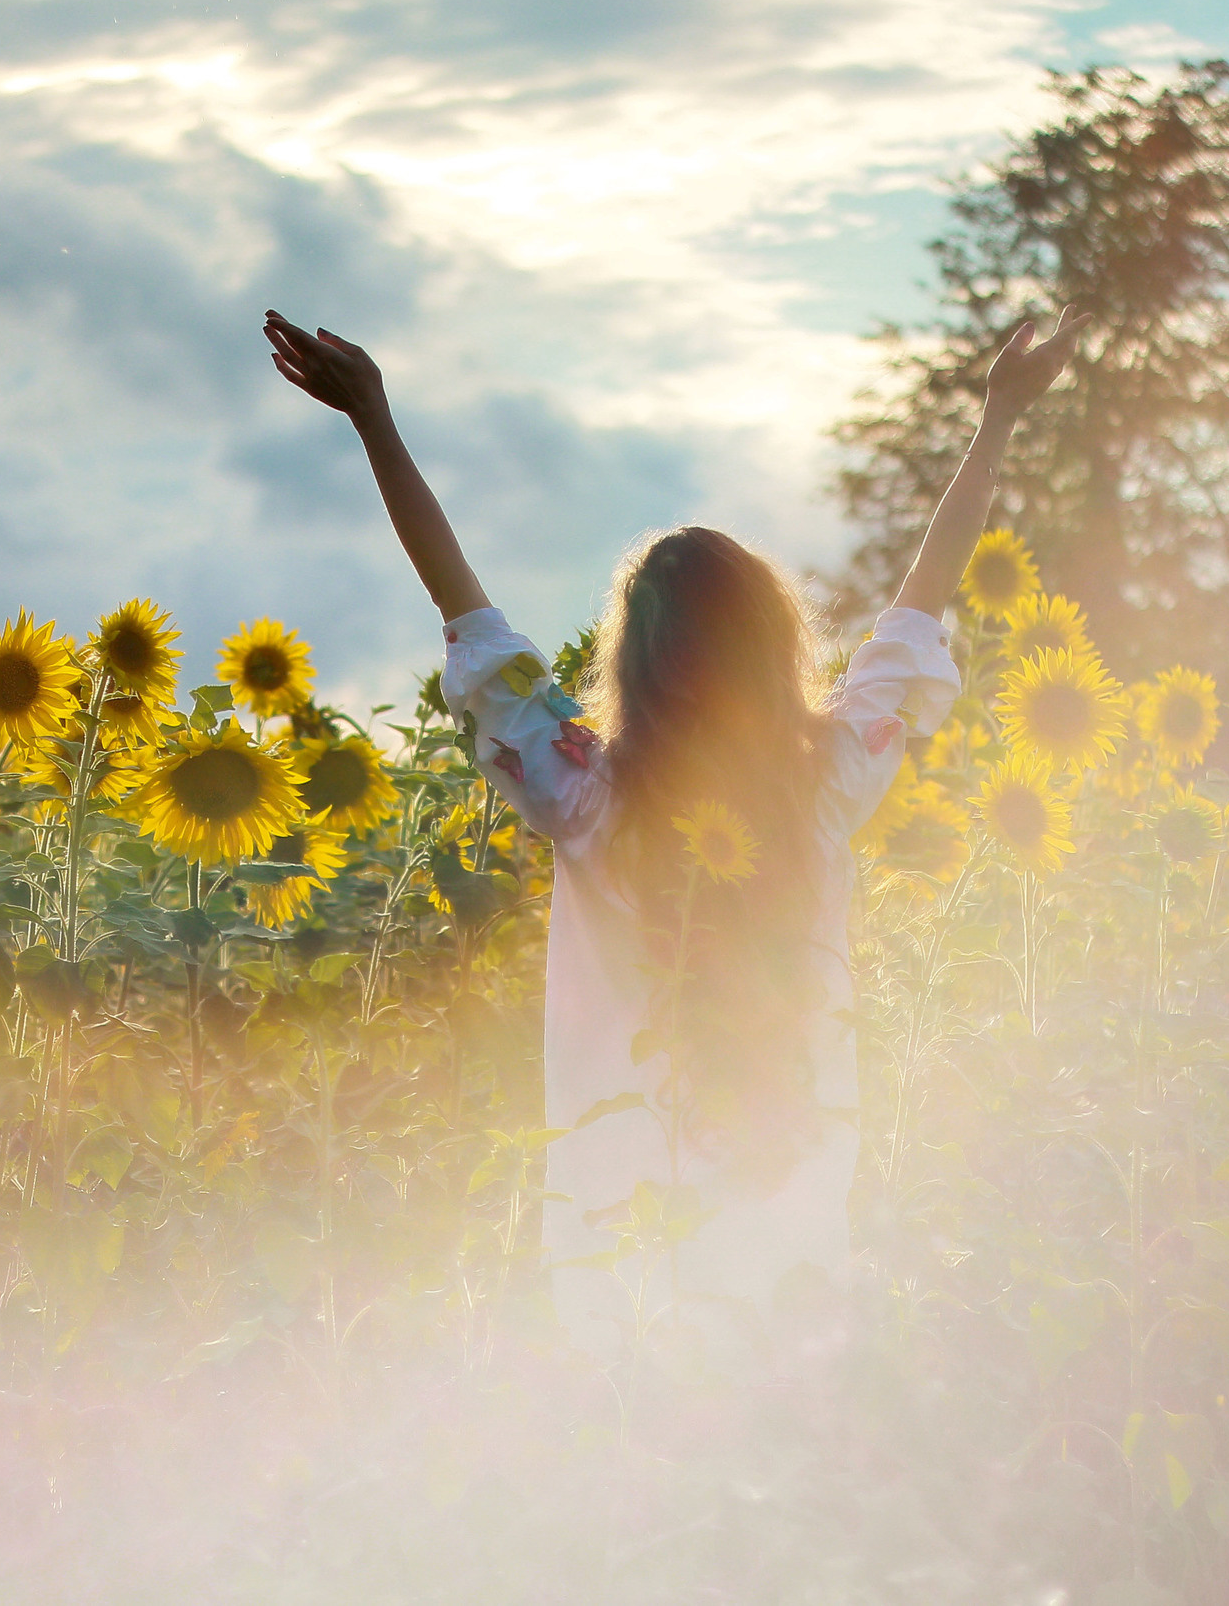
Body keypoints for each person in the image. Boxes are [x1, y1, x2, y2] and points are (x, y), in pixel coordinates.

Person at [262, 304, 1088, 1364]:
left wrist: (374, 421)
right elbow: (914, 621)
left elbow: (468, 619)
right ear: (769, 648)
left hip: (623, 1274)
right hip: (789, 1250)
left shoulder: (589, 807)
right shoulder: (825, 786)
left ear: (634, 665)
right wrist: (999, 417)